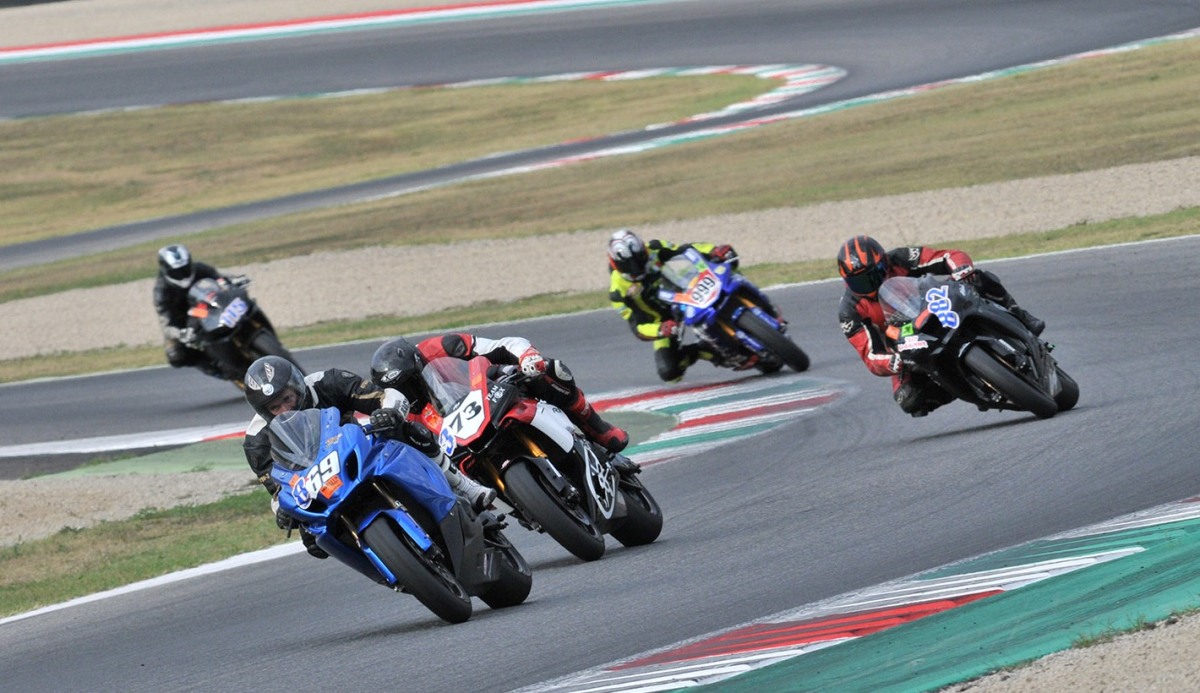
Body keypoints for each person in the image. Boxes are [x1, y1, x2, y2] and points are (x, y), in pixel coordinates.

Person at [242, 355, 496, 559]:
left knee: (406, 429)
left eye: (287, 399)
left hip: (359, 453)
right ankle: (384, 563)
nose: (285, 409)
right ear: (264, 412)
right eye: (275, 407)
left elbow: (387, 397)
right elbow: (278, 491)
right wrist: (282, 511)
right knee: (314, 541)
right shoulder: (256, 441)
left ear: (298, 387)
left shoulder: (328, 382)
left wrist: (388, 413)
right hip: (321, 487)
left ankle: (465, 486)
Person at [836, 234, 1046, 417]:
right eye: (860, 282)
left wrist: (961, 270)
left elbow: (947, 256)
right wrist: (893, 362)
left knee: (979, 278)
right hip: (906, 342)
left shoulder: (900, 258)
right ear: (847, 282)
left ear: (884, 262)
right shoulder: (850, 311)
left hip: (935, 306)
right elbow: (870, 355)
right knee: (909, 399)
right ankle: (967, 384)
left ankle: (1020, 315)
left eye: (874, 275)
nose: (870, 285)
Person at [369, 333, 629, 455]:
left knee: (551, 371)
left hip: (488, 387)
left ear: (418, 365)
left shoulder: (441, 346)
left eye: (411, 381)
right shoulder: (401, 411)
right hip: (464, 441)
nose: (409, 391)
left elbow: (503, 345)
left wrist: (527, 356)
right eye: (401, 389)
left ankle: (597, 428)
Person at [606, 228, 782, 382]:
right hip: (665, 319)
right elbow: (638, 327)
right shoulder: (618, 292)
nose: (637, 267)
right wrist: (660, 330)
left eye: (640, 260)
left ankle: (763, 306)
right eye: (630, 266)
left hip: (686, 289)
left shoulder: (655, 247)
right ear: (616, 264)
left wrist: (714, 251)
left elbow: (687, 250)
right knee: (670, 372)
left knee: (727, 266)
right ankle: (713, 352)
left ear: (643, 250)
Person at [153, 243, 242, 381]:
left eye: (185, 268)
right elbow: (165, 322)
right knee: (175, 355)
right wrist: (179, 333)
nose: (183, 274)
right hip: (183, 322)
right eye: (177, 272)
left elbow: (219, 278)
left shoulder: (200, 268)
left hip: (208, 307)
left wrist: (232, 280)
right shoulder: (161, 292)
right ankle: (217, 370)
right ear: (166, 270)